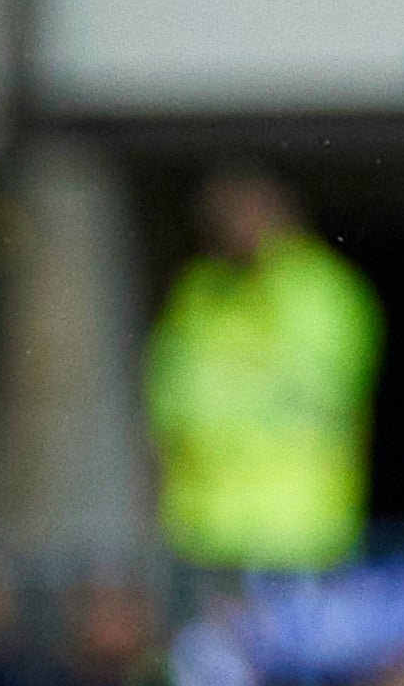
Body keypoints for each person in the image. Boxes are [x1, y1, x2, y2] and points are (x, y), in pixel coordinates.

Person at [148, 166, 384, 574]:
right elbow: (167, 404)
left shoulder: (323, 291)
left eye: (246, 216)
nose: (235, 232)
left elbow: (323, 394)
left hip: (299, 533)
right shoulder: (198, 292)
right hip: (203, 535)